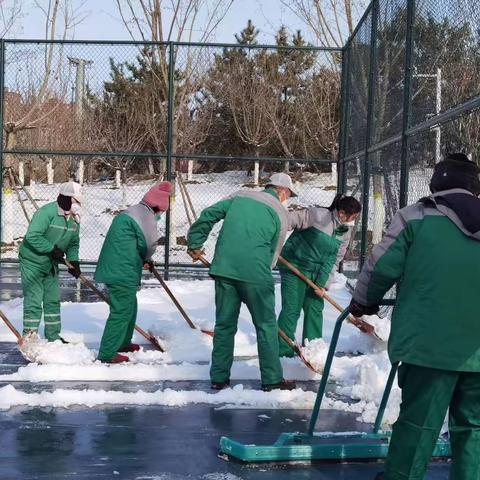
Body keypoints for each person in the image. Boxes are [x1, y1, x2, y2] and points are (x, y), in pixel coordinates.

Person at [348, 153, 480, 480]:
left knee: (418, 426)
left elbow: (381, 267)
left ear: (436, 185)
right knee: (474, 427)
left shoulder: (416, 217)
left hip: (428, 347)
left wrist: (363, 304)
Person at [187, 173, 299, 391]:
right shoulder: (280, 214)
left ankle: (219, 378)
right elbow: (274, 254)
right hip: (256, 275)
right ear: (282, 192)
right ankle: (272, 380)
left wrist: (195, 243)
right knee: (266, 326)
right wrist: (261, 270)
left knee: (224, 325)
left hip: (224, 270)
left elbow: (209, 214)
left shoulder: (240, 196)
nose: (287, 199)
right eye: (288, 195)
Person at [95, 182, 172, 364]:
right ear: (157, 206)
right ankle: (107, 353)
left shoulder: (135, 211)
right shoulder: (144, 216)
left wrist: (144, 259)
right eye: (162, 211)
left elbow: (133, 242)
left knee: (130, 306)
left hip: (122, 266)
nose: (161, 215)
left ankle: (122, 342)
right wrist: (147, 257)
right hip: (122, 270)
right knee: (121, 311)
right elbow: (149, 243)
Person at [278, 194, 361, 357]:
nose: (354, 220)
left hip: (316, 273)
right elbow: (286, 221)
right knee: (292, 309)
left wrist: (323, 284)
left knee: (315, 308)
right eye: (354, 216)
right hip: (294, 265)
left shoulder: (345, 231)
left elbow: (335, 259)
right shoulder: (316, 215)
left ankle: (313, 349)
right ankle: (283, 351)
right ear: (342, 213)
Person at [19, 181, 82, 342]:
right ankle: (29, 336)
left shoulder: (75, 219)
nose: (78, 205)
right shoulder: (46, 212)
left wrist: (73, 261)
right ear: (66, 199)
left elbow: (73, 243)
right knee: (34, 299)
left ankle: (53, 337)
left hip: (50, 263)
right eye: (76, 201)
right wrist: (51, 248)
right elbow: (32, 236)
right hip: (32, 261)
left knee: (52, 300)